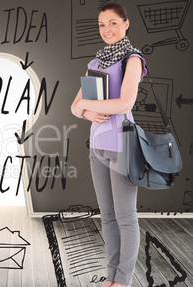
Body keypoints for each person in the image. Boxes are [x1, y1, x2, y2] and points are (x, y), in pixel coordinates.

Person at [71, 3, 147, 287]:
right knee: (107, 217)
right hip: (97, 147)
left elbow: (125, 103)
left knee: (125, 218)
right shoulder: (95, 63)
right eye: (102, 25)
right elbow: (73, 107)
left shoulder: (133, 59)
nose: (107, 30)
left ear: (126, 24)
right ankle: (111, 277)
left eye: (113, 23)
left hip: (122, 145)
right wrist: (87, 112)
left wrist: (86, 105)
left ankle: (123, 280)